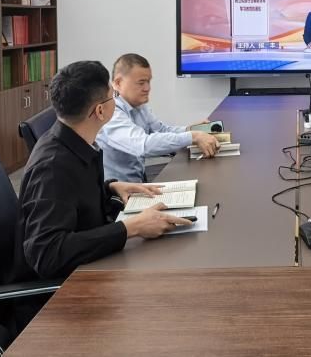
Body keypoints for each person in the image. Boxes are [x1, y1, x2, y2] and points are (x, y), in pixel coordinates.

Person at [16, 61, 194, 281]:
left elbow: (72, 198)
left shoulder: (75, 141)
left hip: (94, 256)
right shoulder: (51, 168)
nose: (117, 101)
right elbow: (47, 254)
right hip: (69, 285)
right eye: (113, 96)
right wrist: (131, 228)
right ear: (100, 111)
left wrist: (110, 187)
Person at [97, 53, 219, 183]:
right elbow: (143, 145)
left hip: (138, 182)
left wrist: (190, 129)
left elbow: (161, 130)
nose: (147, 88)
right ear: (118, 83)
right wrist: (193, 136)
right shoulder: (111, 112)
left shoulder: (138, 105)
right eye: (141, 83)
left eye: (148, 81)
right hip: (118, 191)